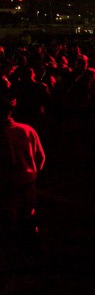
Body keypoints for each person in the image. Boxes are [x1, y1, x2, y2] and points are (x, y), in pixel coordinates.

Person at [0, 97, 46, 255]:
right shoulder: (27, 129)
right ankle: (32, 250)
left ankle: (14, 251)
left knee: (9, 217)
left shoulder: (4, 134)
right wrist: (33, 174)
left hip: (7, 183)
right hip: (27, 180)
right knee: (27, 215)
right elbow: (41, 156)